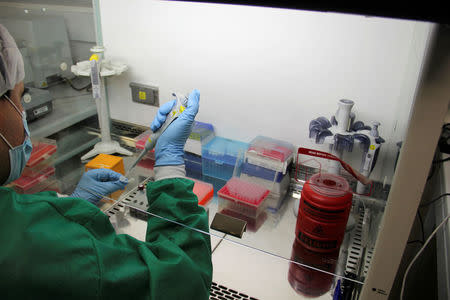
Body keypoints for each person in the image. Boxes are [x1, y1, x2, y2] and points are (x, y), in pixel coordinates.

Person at [0, 24, 212, 299]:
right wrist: (170, 165)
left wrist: (70, 208)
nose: (23, 114)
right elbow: (185, 280)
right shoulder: (54, 253)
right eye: (18, 98)